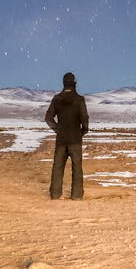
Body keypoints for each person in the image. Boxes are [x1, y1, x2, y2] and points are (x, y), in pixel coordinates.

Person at [45, 72, 89, 200]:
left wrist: (58, 129)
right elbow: (84, 118)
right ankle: (76, 195)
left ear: (64, 83)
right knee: (77, 169)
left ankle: (55, 194)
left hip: (61, 140)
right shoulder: (79, 99)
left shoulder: (57, 99)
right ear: (74, 83)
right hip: (75, 139)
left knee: (58, 167)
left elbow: (48, 118)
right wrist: (83, 131)